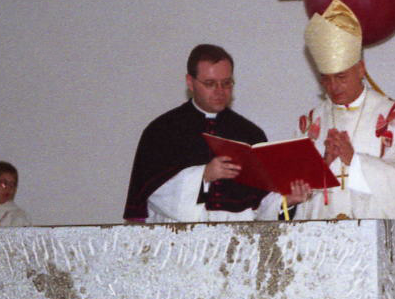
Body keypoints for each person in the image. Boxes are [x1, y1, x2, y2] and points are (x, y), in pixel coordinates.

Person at [123, 44, 307, 223]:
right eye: (210, 83)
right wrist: (203, 176)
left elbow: (258, 207)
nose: (220, 91)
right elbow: (151, 195)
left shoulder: (250, 134)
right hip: (180, 240)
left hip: (238, 241)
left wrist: (287, 201)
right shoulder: (162, 131)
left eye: (226, 83)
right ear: (190, 82)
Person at [293, 0, 395, 221]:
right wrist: (323, 165)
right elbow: (293, 189)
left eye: (341, 77)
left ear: (361, 69)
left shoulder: (393, 118)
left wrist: (356, 162)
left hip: (373, 237)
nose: (333, 87)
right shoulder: (312, 123)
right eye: (326, 80)